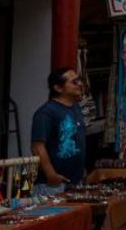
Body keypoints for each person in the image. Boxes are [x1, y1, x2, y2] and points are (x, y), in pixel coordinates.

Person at [31, 67, 87, 197]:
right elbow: (37, 146)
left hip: (74, 183)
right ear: (58, 88)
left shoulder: (76, 108)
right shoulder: (46, 112)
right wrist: (51, 175)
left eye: (79, 80)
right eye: (74, 82)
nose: (80, 84)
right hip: (52, 185)